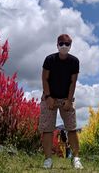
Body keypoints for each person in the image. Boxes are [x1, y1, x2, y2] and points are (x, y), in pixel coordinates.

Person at [38, 34, 83, 169]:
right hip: (49, 96)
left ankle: (75, 158)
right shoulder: (49, 60)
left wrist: (69, 100)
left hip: (66, 98)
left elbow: (72, 82)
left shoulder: (74, 61)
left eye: (67, 44)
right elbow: (44, 79)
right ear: (57, 45)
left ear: (70, 46)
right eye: (61, 43)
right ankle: (48, 160)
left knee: (72, 128)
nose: (64, 46)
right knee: (47, 129)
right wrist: (48, 97)